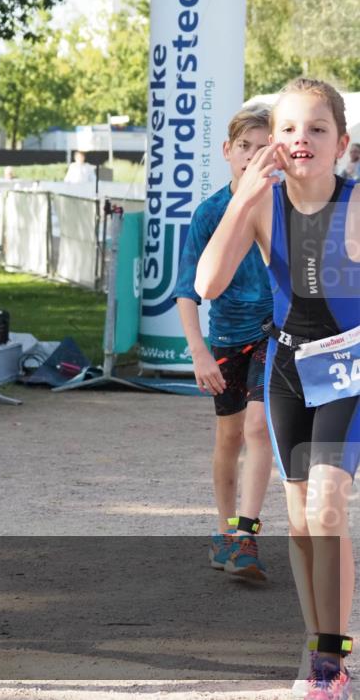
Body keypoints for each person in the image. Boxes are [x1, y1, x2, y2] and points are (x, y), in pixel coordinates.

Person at [196, 78, 358, 699]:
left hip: (348, 371)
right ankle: (321, 639)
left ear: (341, 143)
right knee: (298, 525)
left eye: (317, 129)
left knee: (325, 511)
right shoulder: (262, 204)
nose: (300, 140)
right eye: (288, 130)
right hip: (288, 371)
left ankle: (329, 662)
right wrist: (243, 197)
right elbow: (209, 283)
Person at [172, 105, 273, 581]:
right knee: (230, 436)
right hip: (228, 338)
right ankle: (225, 531)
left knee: (257, 427)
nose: (253, 156)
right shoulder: (211, 212)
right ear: (228, 152)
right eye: (245, 147)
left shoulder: (289, 205)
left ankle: (246, 537)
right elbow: (188, 289)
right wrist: (198, 351)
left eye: (263, 146)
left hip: (277, 334)